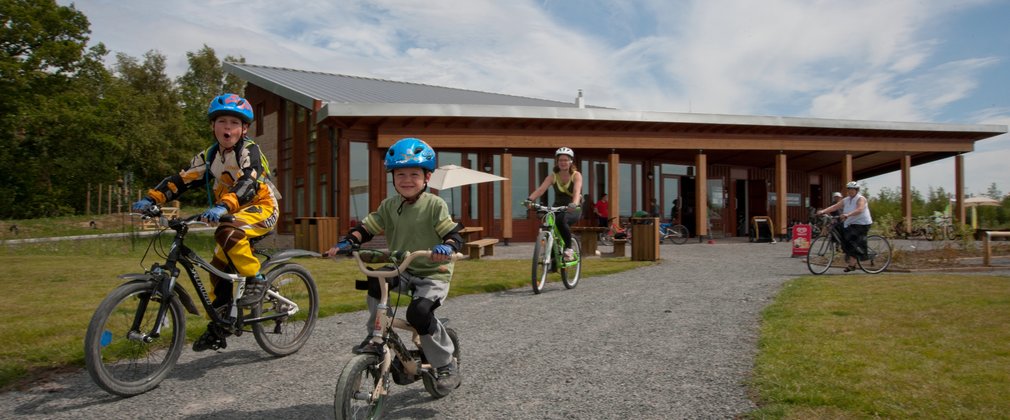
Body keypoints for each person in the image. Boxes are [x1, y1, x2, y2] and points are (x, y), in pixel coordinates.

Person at [131, 93, 279, 351]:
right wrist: (152, 198)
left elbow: (248, 182)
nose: (228, 128)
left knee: (228, 231)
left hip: (261, 208)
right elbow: (182, 179)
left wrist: (223, 205)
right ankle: (220, 326)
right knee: (217, 272)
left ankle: (256, 278)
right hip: (229, 211)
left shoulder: (250, 151)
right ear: (213, 126)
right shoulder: (209, 157)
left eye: (234, 123)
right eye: (222, 121)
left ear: (244, 129)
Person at [324, 137, 463, 393]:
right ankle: (374, 337)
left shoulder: (435, 204)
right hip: (404, 269)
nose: (407, 180)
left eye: (414, 174)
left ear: (427, 177)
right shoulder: (389, 206)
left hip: (434, 273)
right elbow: (367, 228)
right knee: (376, 280)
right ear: (393, 177)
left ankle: (446, 364)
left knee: (418, 314)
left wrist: (448, 247)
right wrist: (347, 242)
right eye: (400, 174)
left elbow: (453, 233)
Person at [525, 147, 583, 261]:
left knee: (561, 221)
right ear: (557, 161)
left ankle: (569, 249)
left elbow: (577, 192)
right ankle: (551, 260)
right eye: (560, 160)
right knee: (548, 223)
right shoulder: (553, 176)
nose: (563, 162)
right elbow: (541, 190)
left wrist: (574, 204)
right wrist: (529, 199)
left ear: (571, 161)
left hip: (573, 208)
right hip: (557, 207)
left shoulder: (576, 175)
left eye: (566, 160)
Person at [816, 181, 873, 272]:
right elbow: (835, 207)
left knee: (852, 240)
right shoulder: (846, 200)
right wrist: (823, 211)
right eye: (849, 189)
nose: (850, 191)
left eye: (852, 189)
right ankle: (846, 251)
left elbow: (860, 209)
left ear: (856, 190)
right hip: (850, 223)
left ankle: (852, 264)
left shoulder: (861, 199)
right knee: (837, 229)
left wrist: (848, 214)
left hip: (862, 224)